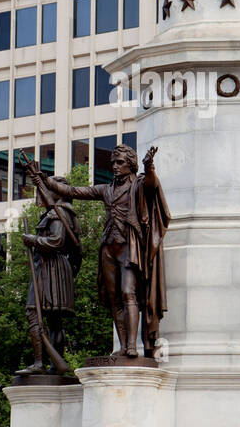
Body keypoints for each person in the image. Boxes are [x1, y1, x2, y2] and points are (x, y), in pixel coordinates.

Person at [34, 145, 169, 359]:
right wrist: (46, 180)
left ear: (131, 164)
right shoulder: (106, 189)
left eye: (120, 163)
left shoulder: (139, 184)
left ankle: (133, 346)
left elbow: (153, 185)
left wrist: (149, 166)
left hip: (128, 247)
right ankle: (123, 346)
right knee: (114, 298)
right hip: (108, 247)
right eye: (113, 163)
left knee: (128, 293)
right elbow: (73, 191)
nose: (115, 166)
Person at [17, 174, 82, 374]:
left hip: (50, 268)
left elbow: (56, 241)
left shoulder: (58, 213)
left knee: (33, 313)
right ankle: (55, 364)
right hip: (56, 269)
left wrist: (33, 240)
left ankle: (39, 363)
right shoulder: (62, 213)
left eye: (49, 188)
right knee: (55, 320)